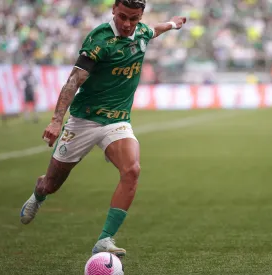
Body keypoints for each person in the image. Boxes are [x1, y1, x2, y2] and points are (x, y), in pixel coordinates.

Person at [20, 0, 187, 258]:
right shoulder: (99, 40)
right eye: (122, 17)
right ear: (113, 10)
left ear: (141, 15)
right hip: (83, 121)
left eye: (134, 18)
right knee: (52, 183)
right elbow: (73, 81)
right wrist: (56, 120)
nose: (127, 24)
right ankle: (38, 194)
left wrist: (173, 24)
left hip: (117, 122)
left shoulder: (141, 32)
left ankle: (104, 239)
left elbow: (154, 29)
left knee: (132, 170)